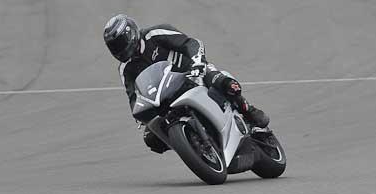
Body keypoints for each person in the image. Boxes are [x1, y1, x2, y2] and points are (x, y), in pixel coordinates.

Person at [104, 14, 270, 155]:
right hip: (165, 97)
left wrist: (197, 62)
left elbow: (191, 43)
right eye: (114, 47)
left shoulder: (154, 34)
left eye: (120, 43)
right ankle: (191, 145)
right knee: (151, 138)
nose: (119, 49)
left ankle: (248, 110)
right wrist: (141, 115)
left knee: (223, 83)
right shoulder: (125, 68)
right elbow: (133, 96)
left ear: (131, 33)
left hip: (191, 74)